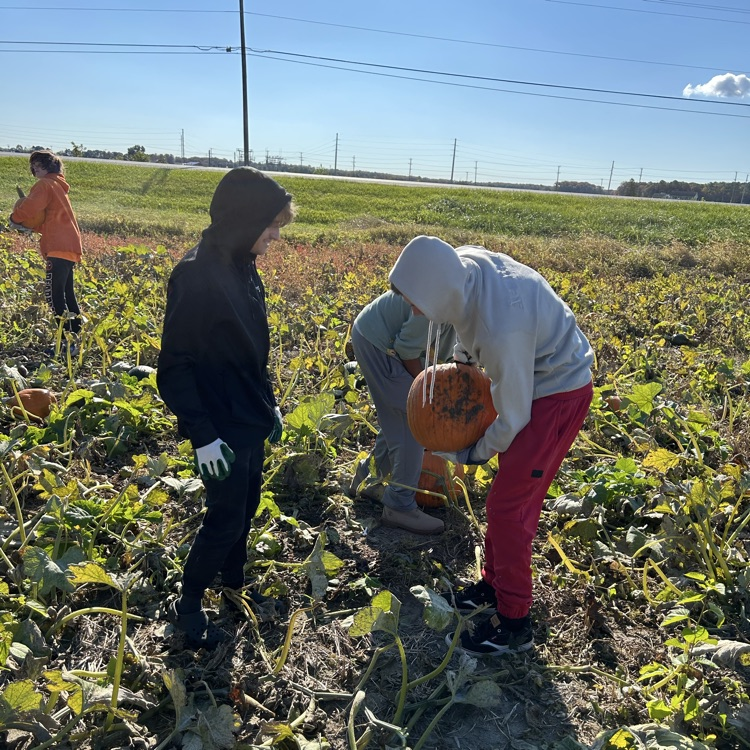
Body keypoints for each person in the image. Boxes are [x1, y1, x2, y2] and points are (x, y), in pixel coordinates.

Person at [389, 235, 593, 656]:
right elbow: (469, 323)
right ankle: (494, 585)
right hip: (532, 380)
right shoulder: (461, 267)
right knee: (506, 501)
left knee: (508, 506)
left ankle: (515, 622)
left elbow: (513, 416)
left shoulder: (503, 330)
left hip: (555, 393)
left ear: (439, 292)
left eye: (415, 301)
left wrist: (472, 453)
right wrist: (463, 357)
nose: (413, 310)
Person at [157, 167, 294, 649]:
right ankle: (189, 605)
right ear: (244, 219)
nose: (276, 235)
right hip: (220, 425)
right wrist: (202, 434)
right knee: (225, 516)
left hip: (248, 415)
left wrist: (269, 402)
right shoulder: (196, 275)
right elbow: (174, 368)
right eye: (271, 224)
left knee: (249, 503)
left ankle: (232, 585)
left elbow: (252, 348)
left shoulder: (243, 265)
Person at [349, 290, 456, 535]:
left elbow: (451, 351)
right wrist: (426, 392)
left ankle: (367, 478)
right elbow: (407, 349)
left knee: (395, 419)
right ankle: (399, 505)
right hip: (379, 344)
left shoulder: (467, 304)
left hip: (384, 340)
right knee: (412, 419)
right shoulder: (436, 301)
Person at [10, 150, 83, 350]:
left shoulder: (44, 185)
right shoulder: (58, 187)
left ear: (44, 166)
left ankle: (67, 343)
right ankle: (76, 338)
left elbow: (30, 207)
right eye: (32, 167)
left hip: (58, 247)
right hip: (69, 245)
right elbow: (50, 220)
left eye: (36, 166)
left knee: (54, 295)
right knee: (67, 294)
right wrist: (31, 227)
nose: (34, 170)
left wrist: (15, 219)